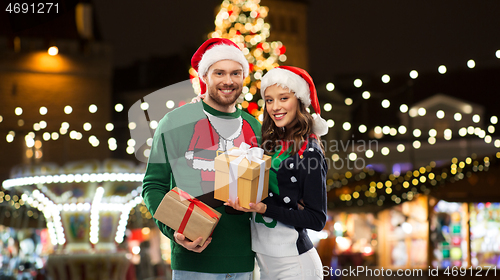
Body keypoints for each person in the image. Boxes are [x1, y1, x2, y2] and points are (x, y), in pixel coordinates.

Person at [141, 38, 262, 280]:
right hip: (193, 263)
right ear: (204, 77)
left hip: (244, 262)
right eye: (219, 73)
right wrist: (173, 229)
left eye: (235, 73)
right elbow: (153, 186)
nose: (228, 81)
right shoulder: (175, 122)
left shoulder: (254, 125)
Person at [226, 66, 329, 279]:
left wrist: (265, 208)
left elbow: (317, 219)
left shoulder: (309, 152)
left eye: (283, 98)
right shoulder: (270, 144)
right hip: (265, 262)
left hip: (295, 264)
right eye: (270, 100)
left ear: (299, 101)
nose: (275, 107)